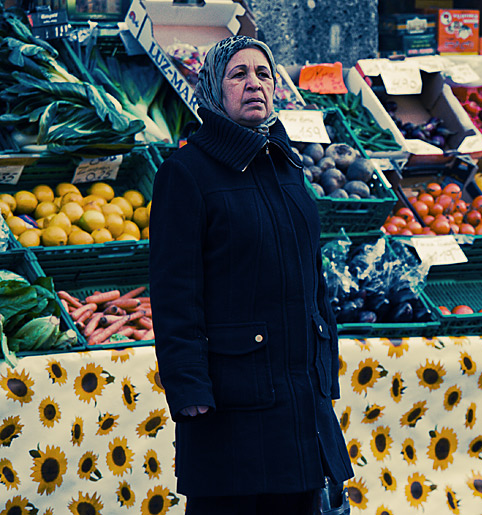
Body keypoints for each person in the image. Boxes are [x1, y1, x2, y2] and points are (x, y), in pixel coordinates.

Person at [149, 35, 353, 514]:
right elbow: (174, 292)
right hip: (231, 398)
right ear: (214, 89)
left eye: (263, 73)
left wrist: (325, 370)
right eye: (238, 74)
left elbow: (312, 279)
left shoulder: (286, 165)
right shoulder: (187, 172)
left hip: (299, 396)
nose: (254, 84)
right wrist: (189, 387)